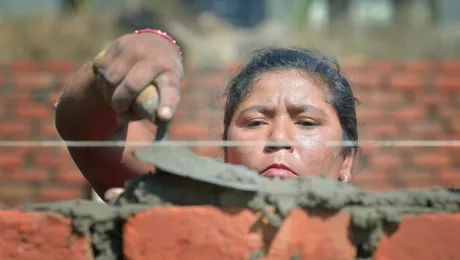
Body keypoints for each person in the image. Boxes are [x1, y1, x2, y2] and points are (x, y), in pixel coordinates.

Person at [55, 29, 360, 201]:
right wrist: (148, 43)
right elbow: (87, 131)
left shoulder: (385, 239)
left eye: (306, 123)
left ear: (346, 159)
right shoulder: (184, 206)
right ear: (226, 150)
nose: (278, 139)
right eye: (255, 122)